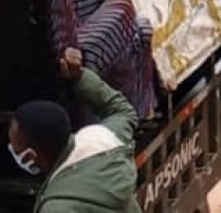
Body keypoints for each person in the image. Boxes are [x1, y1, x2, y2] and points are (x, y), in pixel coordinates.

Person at [10, 48, 140, 213]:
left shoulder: (57, 208)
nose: (11, 148)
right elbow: (121, 111)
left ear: (31, 156)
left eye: (15, 147)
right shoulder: (103, 140)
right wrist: (80, 77)